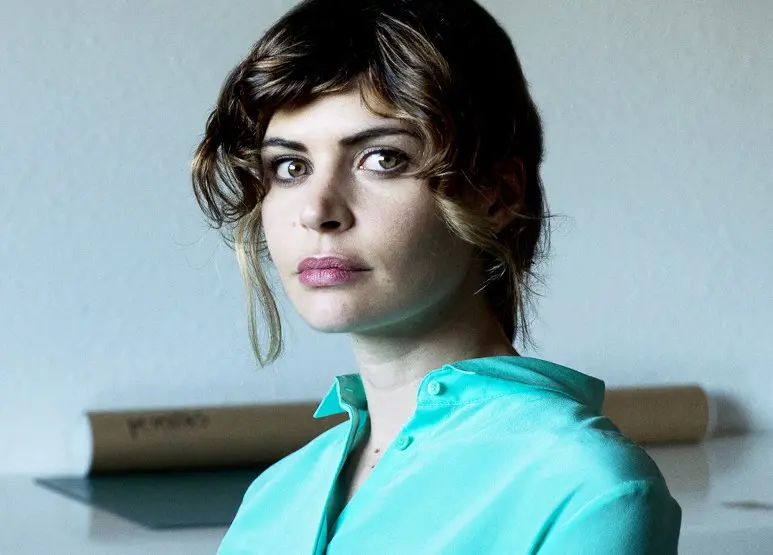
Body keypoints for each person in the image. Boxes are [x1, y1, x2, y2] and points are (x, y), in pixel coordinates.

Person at [191, 0, 682, 553]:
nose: (317, 210)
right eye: (290, 167)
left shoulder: (587, 490)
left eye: (383, 159)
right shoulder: (273, 498)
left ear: (496, 194)